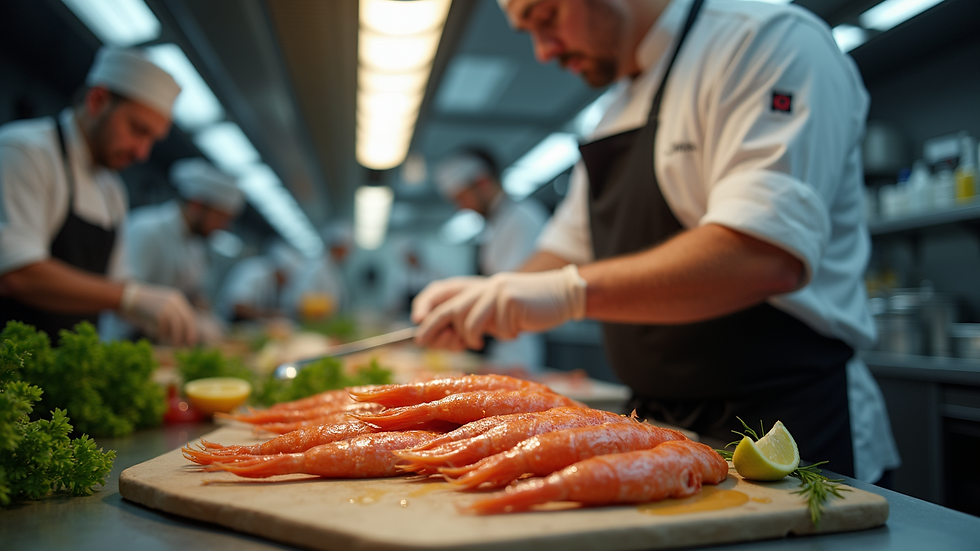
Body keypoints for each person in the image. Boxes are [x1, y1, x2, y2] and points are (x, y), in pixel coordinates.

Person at [412, 0, 900, 483]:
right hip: (656, 425)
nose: (542, 51)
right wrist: (485, 296)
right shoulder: (610, 114)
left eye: (546, 17)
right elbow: (567, 248)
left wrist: (566, 293)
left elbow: (762, 255)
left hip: (788, 421)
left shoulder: (764, 41)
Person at [0, 46, 199, 346]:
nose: (142, 153)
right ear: (97, 101)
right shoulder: (25, 152)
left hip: (73, 373)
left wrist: (161, 315)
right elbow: (17, 274)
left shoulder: (112, 190)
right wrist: (131, 298)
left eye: (151, 140)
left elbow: (117, 283)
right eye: (137, 129)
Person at [433, 148, 550, 369]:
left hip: (520, 349)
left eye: (462, 197)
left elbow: (515, 291)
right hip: (500, 346)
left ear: (483, 182)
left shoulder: (522, 218)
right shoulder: (497, 224)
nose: (462, 207)